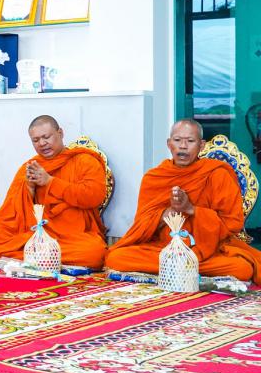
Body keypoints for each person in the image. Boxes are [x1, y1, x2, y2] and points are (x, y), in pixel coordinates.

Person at [106, 119, 261, 282]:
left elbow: (232, 224)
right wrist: (170, 211)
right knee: (116, 258)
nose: (183, 146)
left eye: (190, 141)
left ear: (201, 146)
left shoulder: (217, 175)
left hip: (208, 250)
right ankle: (186, 269)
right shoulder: (154, 178)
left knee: (241, 268)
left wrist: (191, 209)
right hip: (164, 248)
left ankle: (173, 269)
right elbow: (141, 227)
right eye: (177, 140)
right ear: (169, 144)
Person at [0, 115, 108, 266]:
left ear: (60, 133)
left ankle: (23, 257)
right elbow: (11, 214)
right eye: (35, 140)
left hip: (72, 236)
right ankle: (36, 256)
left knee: (93, 253)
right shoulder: (31, 167)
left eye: (46, 137)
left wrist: (50, 182)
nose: (42, 143)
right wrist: (29, 188)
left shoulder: (85, 161)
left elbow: (94, 196)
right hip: (33, 233)